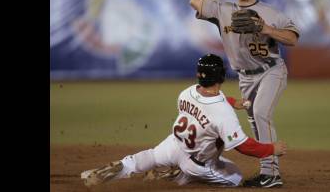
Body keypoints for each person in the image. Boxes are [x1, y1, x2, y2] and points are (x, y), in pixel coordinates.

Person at [80, 54, 287, 187]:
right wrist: (271, 149)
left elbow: (211, 101)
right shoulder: (223, 113)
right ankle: (178, 176)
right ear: (221, 77)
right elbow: (243, 146)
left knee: (149, 157)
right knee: (235, 179)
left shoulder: (187, 92)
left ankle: (113, 169)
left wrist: (234, 102)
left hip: (173, 144)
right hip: (195, 162)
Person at [189, 0, 300, 188]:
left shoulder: (271, 12)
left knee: (260, 113)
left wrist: (268, 30)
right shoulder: (223, 9)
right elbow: (195, 0)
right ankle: (267, 171)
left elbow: (292, 38)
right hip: (245, 77)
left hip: (271, 70)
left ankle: (272, 174)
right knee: (254, 120)